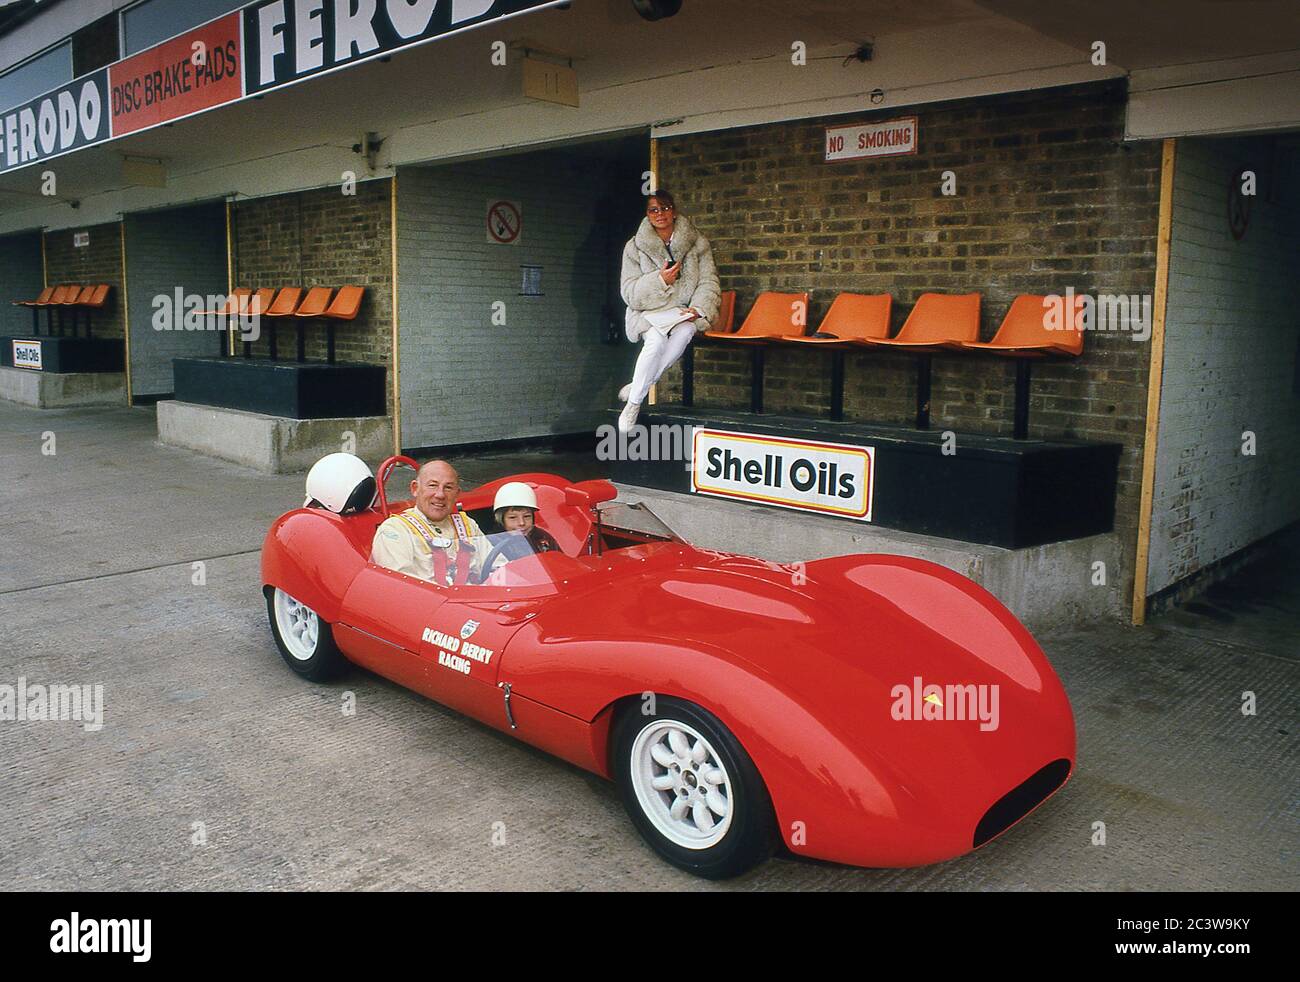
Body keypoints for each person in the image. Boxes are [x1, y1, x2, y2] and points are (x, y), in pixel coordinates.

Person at [618, 188, 720, 433]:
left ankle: (641, 384)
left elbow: (709, 280)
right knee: (654, 340)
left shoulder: (697, 243)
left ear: (673, 212)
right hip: (647, 312)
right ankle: (633, 404)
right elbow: (629, 291)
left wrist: (699, 308)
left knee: (685, 332)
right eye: (653, 210)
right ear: (647, 214)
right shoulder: (634, 247)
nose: (660, 214)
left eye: (664, 208)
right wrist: (660, 281)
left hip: (680, 311)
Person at [370, 459, 493, 586]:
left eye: (448, 487)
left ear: (457, 494)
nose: (440, 494)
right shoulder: (395, 530)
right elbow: (402, 589)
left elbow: (499, 568)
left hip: (478, 601)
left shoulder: (467, 524)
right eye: (432, 485)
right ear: (415, 489)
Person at [492, 482, 562, 557]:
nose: (522, 523)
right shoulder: (491, 542)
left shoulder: (542, 537)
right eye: (512, 517)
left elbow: (558, 561)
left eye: (527, 516)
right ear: (501, 520)